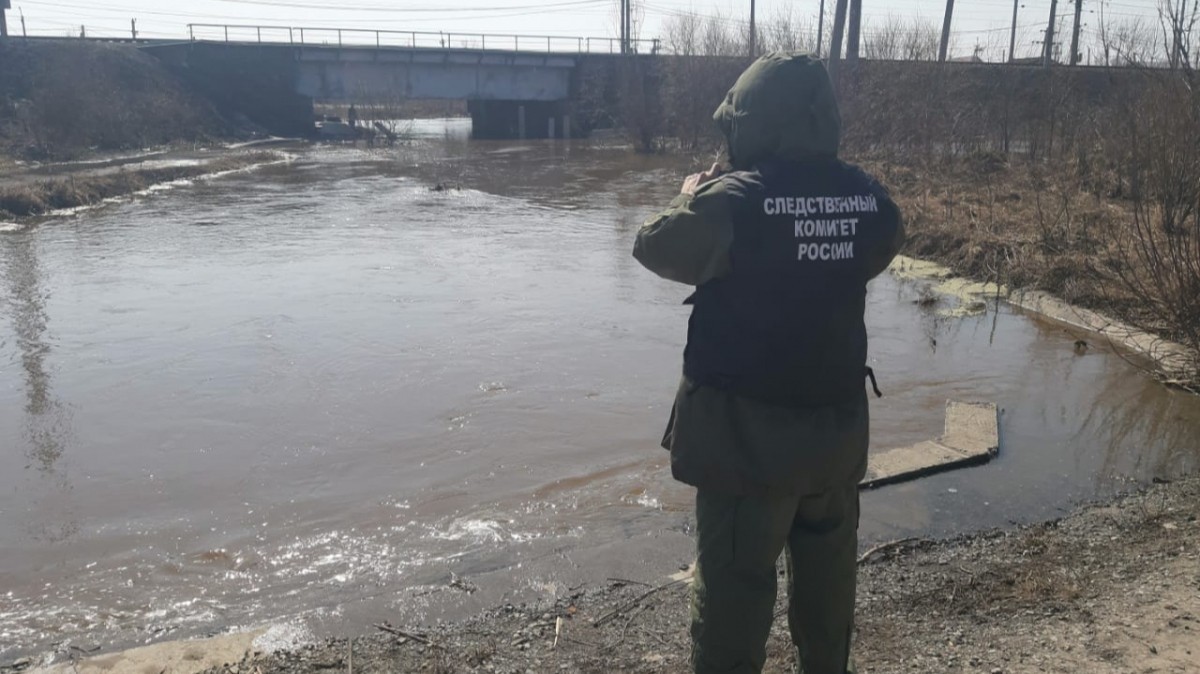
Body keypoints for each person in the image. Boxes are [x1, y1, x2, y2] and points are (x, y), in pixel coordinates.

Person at [632, 52, 904, 674]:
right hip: (834, 440)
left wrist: (688, 196)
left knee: (733, 598)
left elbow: (653, 245)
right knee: (829, 596)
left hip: (745, 448)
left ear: (751, 121)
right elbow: (885, 241)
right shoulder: (865, 196)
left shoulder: (733, 199)